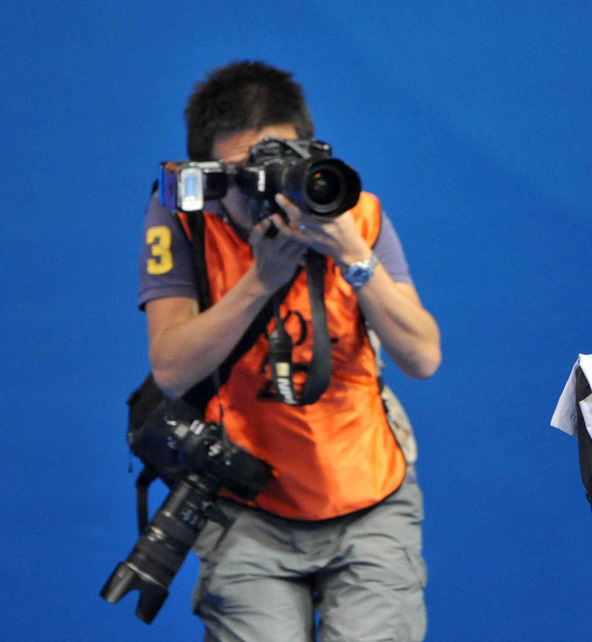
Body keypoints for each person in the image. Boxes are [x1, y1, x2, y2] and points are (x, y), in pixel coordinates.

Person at [137, 60, 440, 642]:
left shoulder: (355, 213)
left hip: (370, 490)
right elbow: (171, 368)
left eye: (281, 165)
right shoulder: (185, 217)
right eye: (247, 174)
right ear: (211, 173)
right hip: (245, 504)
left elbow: (423, 358)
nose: (269, 191)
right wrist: (261, 280)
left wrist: (353, 254)